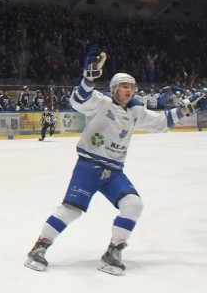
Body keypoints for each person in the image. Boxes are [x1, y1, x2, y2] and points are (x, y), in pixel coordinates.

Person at [24, 45, 206, 275]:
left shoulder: (135, 112)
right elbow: (78, 100)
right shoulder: (101, 103)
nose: (129, 90)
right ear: (114, 89)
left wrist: (190, 108)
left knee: (134, 204)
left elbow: (160, 123)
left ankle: (114, 251)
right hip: (89, 166)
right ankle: (39, 248)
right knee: (71, 210)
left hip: (114, 172)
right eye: (124, 86)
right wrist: (89, 76)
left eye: (132, 86)